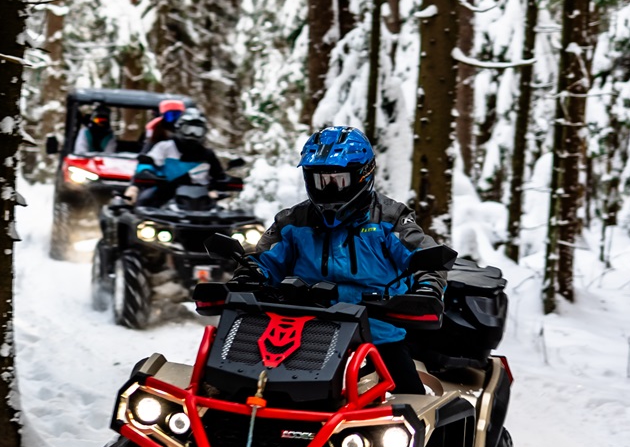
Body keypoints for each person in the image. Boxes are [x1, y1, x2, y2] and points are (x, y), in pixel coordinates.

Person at [241, 125, 447, 396]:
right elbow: (264, 260)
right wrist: (248, 275)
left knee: (410, 403)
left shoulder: (390, 218)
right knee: (248, 390)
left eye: (337, 180)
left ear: (363, 175)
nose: (328, 189)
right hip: (303, 329)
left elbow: (422, 255)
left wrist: (427, 288)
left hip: (375, 331)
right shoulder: (292, 221)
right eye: (320, 181)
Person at [133, 108, 229, 206]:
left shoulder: (208, 154)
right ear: (179, 128)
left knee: (221, 211)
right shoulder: (164, 147)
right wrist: (146, 171)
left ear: (204, 132)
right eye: (188, 129)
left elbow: (219, 176)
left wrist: (218, 186)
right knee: (143, 203)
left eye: (197, 131)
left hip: (200, 199)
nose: (192, 134)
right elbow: (148, 163)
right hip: (164, 192)